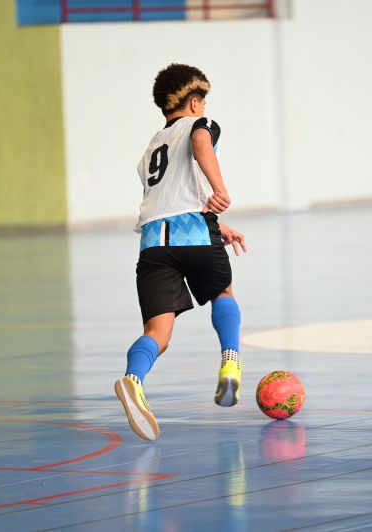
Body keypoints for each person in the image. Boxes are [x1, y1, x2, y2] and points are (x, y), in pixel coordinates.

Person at [115, 63, 248, 441]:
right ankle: (230, 364)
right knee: (223, 293)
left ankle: (133, 379)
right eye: (203, 102)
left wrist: (218, 226)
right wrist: (220, 190)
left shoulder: (152, 147)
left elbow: (168, 198)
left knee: (158, 332)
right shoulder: (199, 124)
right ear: (193, 102)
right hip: (195, 235)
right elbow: (202, 142)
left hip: (153, 246)